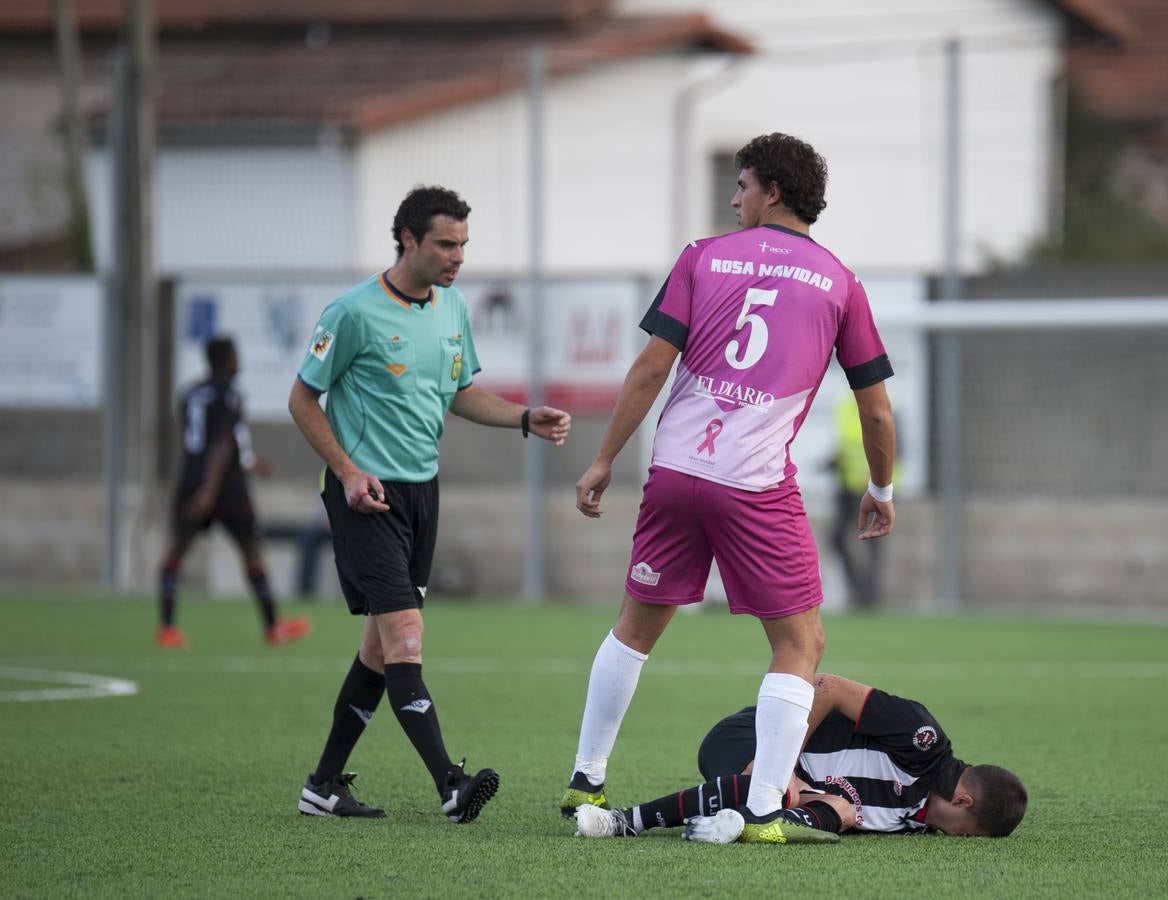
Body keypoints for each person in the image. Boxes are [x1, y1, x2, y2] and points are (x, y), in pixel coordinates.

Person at [563, 133, 898, 843]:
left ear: (773, 190)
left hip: (676, 473)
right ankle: (765, 808)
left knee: (637, 623)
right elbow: (874, 406)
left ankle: (586, 775)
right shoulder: (840, 281)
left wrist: (602, 459)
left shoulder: (702, 256)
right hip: (752, 486)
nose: (734, 197)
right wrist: (882, 487)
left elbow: (652, 367)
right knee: (801, 644)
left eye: (742, 184)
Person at [287, 185, 571, 822]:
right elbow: (303, 401)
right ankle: (450, 784)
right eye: (446, 243)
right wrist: (348, 470)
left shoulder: (452, 309)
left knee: (379, 651)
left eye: (464, 245)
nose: (458, 257)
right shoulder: (351, 313)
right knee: (406, 640)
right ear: (408, 240)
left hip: (423, 494)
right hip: (367, 496)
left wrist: (525, 417)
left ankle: (323, 784)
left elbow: (461, 393)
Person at [573, 673, 1028, 843]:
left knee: (837, 811)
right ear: (965, 802)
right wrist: (780, 762)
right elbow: (826, 687)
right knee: (780, 788)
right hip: (750, 739)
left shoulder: (918, 819)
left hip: (801, 791)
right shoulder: (921, 738)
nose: (961, 840)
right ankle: (620, 823)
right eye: (971, 835)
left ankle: (730, 825)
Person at [156, 336, 312, 650]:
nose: (238, 361)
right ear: (226, 360)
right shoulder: (230, 396)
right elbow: (222, 442)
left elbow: (202, 440)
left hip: (190, 479)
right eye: (235, 356)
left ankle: (168, 629)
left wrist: (248, 462)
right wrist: (210, 491)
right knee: (251, 552)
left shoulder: (189, 394)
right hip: (224, 487)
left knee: (176, 552)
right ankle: (273, 627)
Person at [828, 392, 898, 609]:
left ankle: (870, 595)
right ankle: (860, 589)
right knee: (837, 538)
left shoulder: (887, 408)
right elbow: (845, 447)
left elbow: (895, 448)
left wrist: (880, 486)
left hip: (875, 489)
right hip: (847, 488)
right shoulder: (844, 407)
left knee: (874, 543)